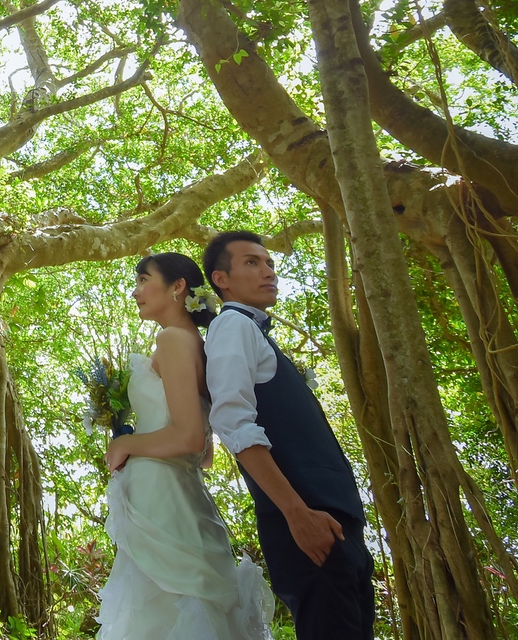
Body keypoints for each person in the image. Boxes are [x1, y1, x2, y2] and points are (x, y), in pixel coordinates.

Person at [201, 231, 375, 639]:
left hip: (335, 522)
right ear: (221, 279)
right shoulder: (232, 325)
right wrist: (296, 513)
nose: (268, 271)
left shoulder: (257, 334)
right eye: (252, 263)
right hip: (306, 522)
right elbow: (234, 424)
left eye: (270, 263)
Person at [97, 251, 273, 640]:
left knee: (162, 609)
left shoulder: (173, 339)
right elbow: (203, 453)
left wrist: (127, 442)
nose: (136, 291)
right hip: (175, 488)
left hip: (162, 494)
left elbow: (189, 437)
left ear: (178, 287)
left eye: (144, 279)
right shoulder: (195, 343)